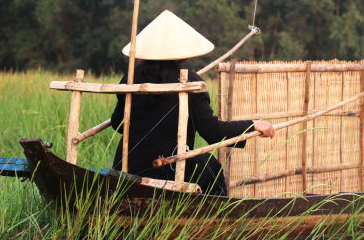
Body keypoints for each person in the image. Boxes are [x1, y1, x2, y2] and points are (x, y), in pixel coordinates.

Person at [111, 10, 275, 195]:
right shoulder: (190, 81)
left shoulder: (130, 79)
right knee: (210, 164)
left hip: (127, 164)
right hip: (169, 167)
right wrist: (253, 125)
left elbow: (118, 124)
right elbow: (212, 132)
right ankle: (217, 218)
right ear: (183, 55)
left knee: (204, 162)